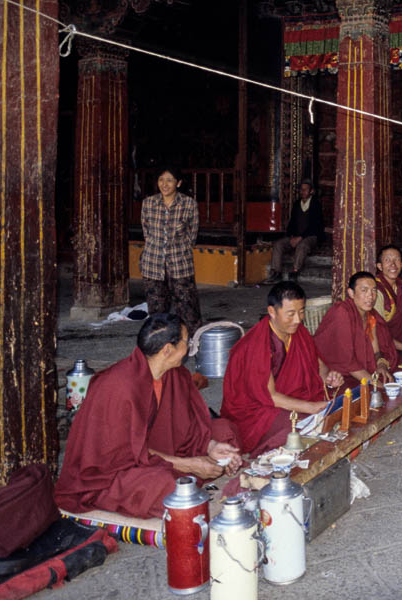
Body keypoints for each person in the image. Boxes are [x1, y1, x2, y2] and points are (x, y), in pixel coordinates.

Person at [55, 314, 242, 519]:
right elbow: (126, 455)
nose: (189, 347)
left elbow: (188, 425)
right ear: (167, 350)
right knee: (167, 487)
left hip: (161, 450)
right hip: (113, 471)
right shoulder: (119, 387)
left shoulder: (174, 374)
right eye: (186, 342)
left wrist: (210, 446)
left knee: (226, 431)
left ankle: (193, 469)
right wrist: (190, 464)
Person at [221, 281, 344, 456]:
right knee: (295, 428)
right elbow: (269, 397)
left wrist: (328, 378)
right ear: (272, 311)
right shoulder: (256, 345)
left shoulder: (298, 332)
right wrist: (311, 408)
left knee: (344, 400)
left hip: (293, 396)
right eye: (290, 314)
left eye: (301, 312)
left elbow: (318, 364)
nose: (298, 319)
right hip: (258, 408)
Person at [140, 167, 202, 336]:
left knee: (188, 307)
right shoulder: (148, 204)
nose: (164, 184)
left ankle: (193, 341)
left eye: (169, 180)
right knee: (157, 310)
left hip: (180, 264)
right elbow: (147, 233)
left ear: (179, 183)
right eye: (161, 180)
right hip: (153, 264)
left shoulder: (188, 204)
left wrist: (178, 249)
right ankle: (160, 343)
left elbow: (192, 235)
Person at [314, 271, 398, 387]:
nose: (370, 296)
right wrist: (378, 385)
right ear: (351, 293)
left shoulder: (370, 316)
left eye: (374, 291)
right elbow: (348, 362)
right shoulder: (342, 312)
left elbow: (376, 351)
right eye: (364, 290)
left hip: (357, 370)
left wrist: (381, 365)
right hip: (331, 373)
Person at [263, 180, 323, 284]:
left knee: (302, 246)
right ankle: (276, 273)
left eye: (305, 189)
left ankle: (295, 271)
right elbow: (292, 223)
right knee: (278, 244)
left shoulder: (316, 204)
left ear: (312, 191)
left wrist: (300, 238)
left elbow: (315, 226)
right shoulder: (297, 204)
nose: (303, 191)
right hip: (295, 236)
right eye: (301, 189)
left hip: (311, 236)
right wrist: (291, 237)